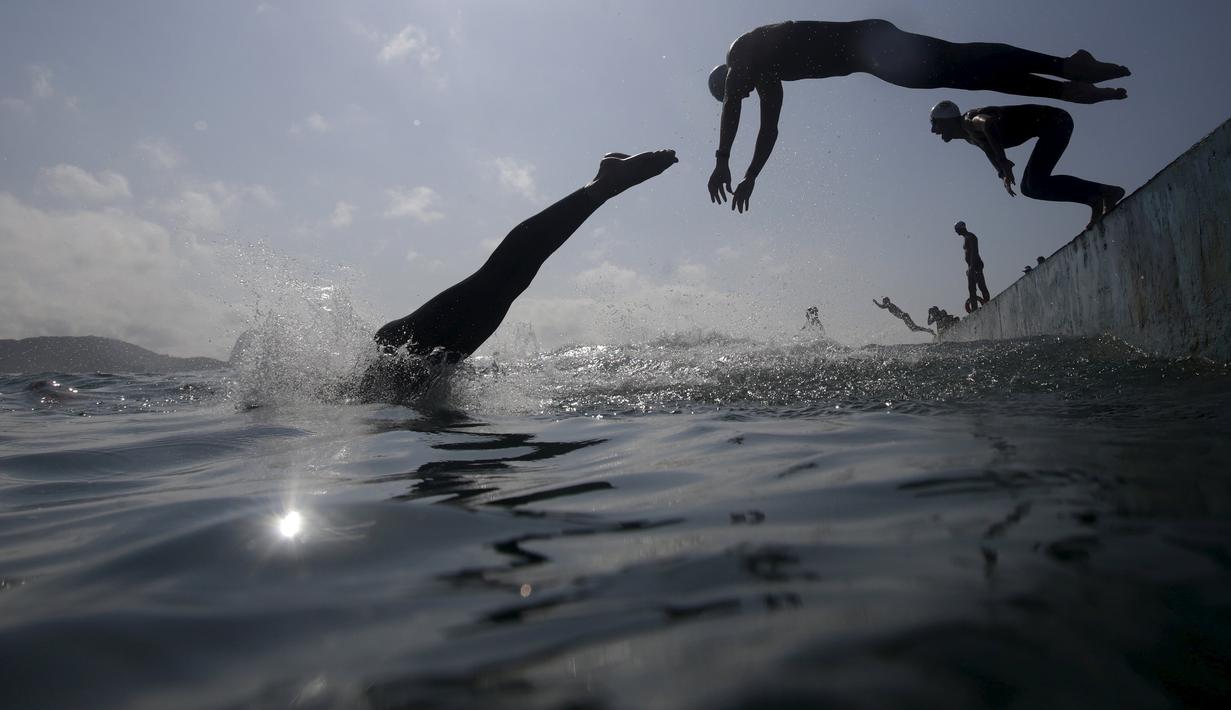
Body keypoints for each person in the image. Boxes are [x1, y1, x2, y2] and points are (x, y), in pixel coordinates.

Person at [705, 19, 1129, 212]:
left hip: (872, 43)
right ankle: (1066, 83)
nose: (741, 95)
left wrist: (722, 159)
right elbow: (769, 130)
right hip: (877, 62)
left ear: (730, 78)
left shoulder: (742, 52)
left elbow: (733, 112)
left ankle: (1063, 64)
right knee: (968, 77)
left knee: (961, 61)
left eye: (735, 91)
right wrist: (751, 175)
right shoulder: (768, 80)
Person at [359, 150, 678, 401]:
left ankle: (600, 187)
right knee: (507, 283)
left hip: (399, 356)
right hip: (419, 373)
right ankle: (599, 188)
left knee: (500, 280)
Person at [930, 101, 1126, 227]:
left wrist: (1003, 161)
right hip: (1052, 126)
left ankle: (1106, 192)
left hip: (1056, 122)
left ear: (947, 121)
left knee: (1033, 183)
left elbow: (988, 124)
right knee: (1030, 188)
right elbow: (988, 149)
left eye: (935, 124)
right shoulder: (970, 138)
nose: (933, 130)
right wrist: (1002, 172)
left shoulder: (970, 120)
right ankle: (1094, 199)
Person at [954, 221, 991, 312]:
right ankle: (974, 309)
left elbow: (974, 252)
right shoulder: (966, 238)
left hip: (976, 265)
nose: (956, 232)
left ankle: (988, 304)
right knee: (971, 288)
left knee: (981, 285)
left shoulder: (970, 237)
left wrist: (972, 267)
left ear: (961, 228)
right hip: (971, 265)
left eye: (957, 230)